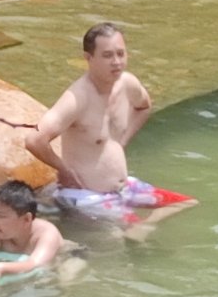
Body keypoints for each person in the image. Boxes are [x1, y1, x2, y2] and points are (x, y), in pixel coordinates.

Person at [27, 21, 182, 221]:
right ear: (88, 58)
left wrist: (122, 142)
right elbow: (34, 140)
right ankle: (139, 228)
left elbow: (144, 107)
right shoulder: (77, 98)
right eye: (107, 55)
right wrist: (63, 170)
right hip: (88, 196)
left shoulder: (127, 83)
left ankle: (144, 226)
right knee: (127, 234)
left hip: (124, 188)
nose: (116, 62)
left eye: (121, 54)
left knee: (184, 202)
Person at [0, 180, 70, 289]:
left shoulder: (47, 234)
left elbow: (35, 263)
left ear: (26, 219)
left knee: (64, 281)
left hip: (68, 256)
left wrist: (0, 267)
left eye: (2, 216)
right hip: (22, 259)